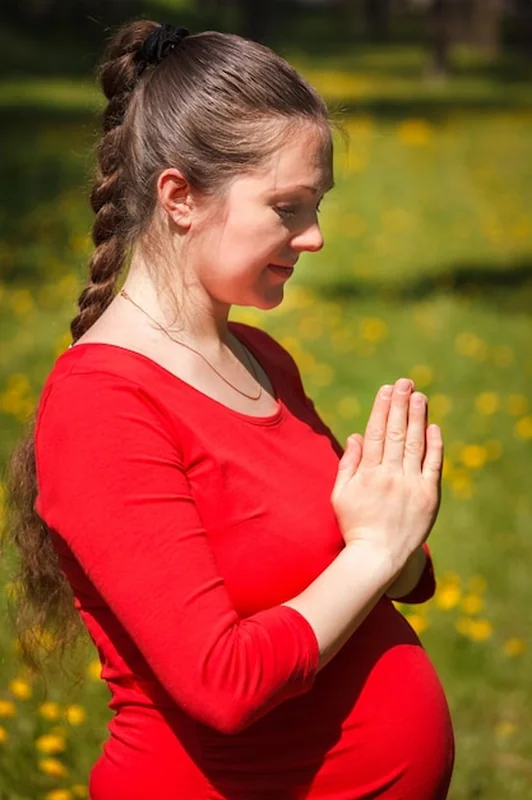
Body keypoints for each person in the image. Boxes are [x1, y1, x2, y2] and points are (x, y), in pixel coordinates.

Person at [5, 20, 455, 800]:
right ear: (179, 197)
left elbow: (370, 568)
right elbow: (224, 680)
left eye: (318, 205)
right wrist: (376, 555)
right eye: (288, 206)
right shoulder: (102, 404)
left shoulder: (262, 359)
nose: (313, 237)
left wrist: (398, 532)